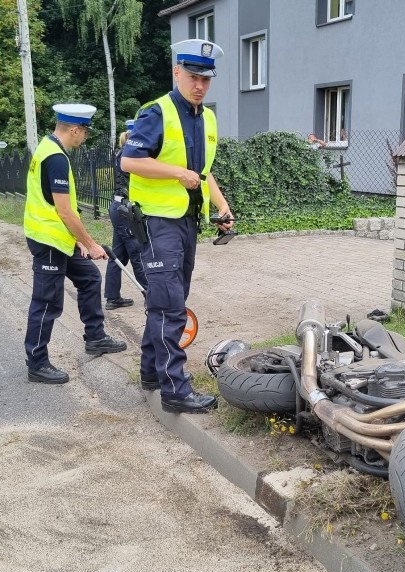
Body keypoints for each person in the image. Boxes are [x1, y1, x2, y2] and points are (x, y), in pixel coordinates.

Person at [121, 39, 234, 414]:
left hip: (187, 222)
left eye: (205, 78)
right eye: (192, 76)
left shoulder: (208, 118)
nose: (199, 84)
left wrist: (222, 205)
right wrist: (177, 174)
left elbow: (203, 173)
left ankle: (152, 374)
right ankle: (175, 390)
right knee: (170, 307)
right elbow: (129, 161)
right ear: (177, 73)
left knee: (167, 302)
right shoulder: (156, 112)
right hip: (157, 222)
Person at [23, 103, 127, 384]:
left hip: (58, 237)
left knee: (90, 278)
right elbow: (64, 211)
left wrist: (77, 241)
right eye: (85, 133)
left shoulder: (47, 147)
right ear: (74, 129)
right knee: (46, 303)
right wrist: (90, 243)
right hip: (48, 241)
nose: (85, 138)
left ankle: (95, 337)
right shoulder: (55, 157)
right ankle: (37, 362)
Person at [104, 119, 148, 309]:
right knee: (137, 252)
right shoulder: (130, 156)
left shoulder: (122, 154)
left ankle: (113, 297)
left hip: (118, 207)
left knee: (119, 255)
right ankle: (151, 295)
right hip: (125, 210)